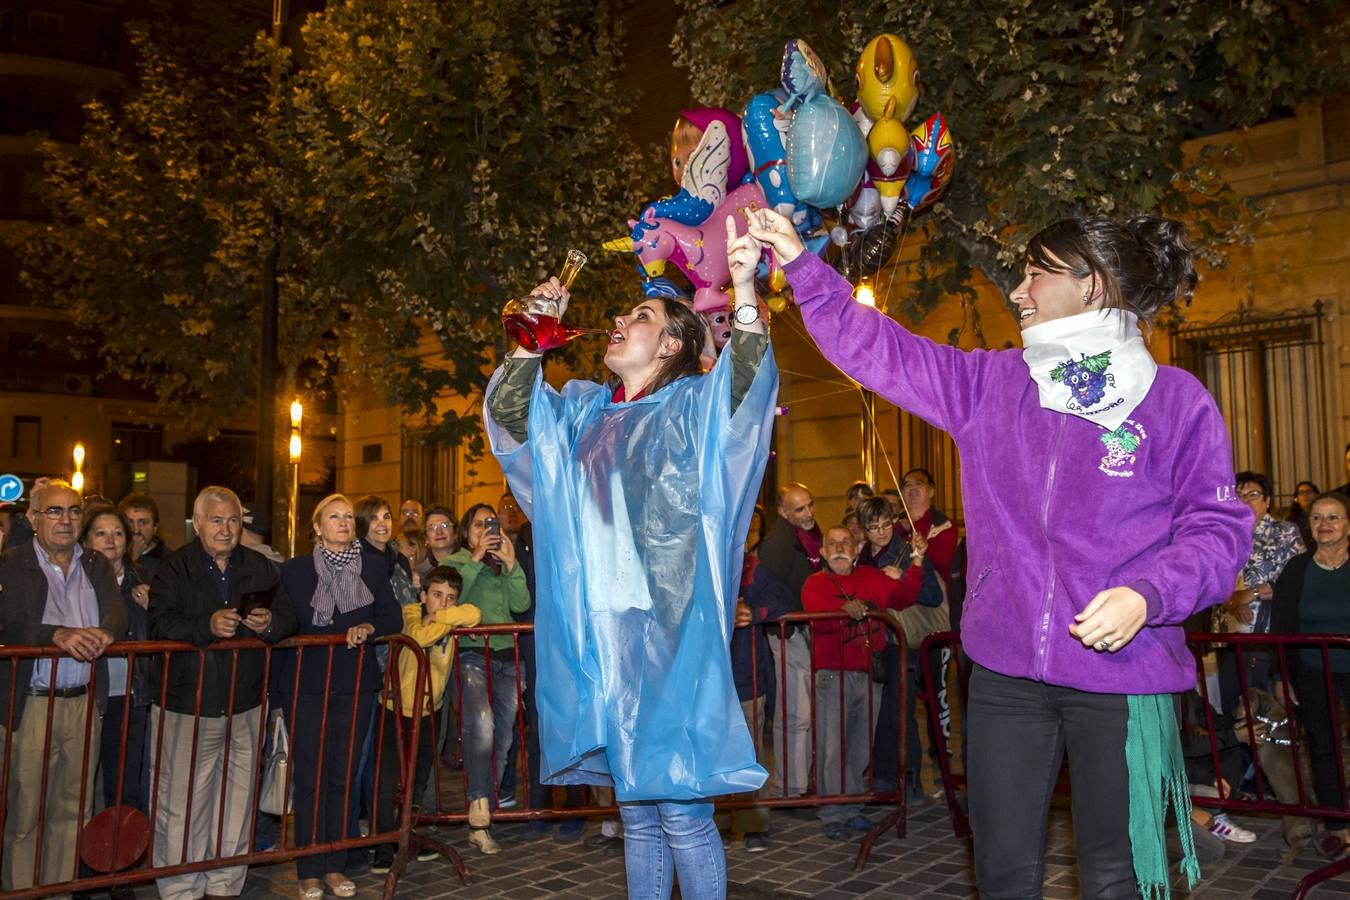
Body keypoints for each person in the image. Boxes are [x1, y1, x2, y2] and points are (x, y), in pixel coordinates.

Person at [755, 205, 1250, 897]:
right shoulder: (991, 384)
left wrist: (1148, 594)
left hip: (1125, 675)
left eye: (1034, 274)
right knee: (1004, 873)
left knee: (1117, 877)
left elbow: (1218, 531)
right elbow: (881, 350)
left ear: (1091, 286)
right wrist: (803, 266)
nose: (1016, 291)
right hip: (1005, 676)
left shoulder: (1176, 401)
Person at [484, 213, 776, 900]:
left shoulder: (692, 408)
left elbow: (748, 385)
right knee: (637, 813)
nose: (618, 318)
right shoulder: (585, 415)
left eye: (639, 314)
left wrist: (741, 288)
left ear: (672, 341)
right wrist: (528, 342)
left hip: (670, 639)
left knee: (679, 807)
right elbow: (515, 421)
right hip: (601, 637)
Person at [147, 486, 296, 900]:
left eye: (232, 520)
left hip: (245, 702)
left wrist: (268, 624)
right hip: (186, 703)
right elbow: (159, 624)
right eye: (216, 520)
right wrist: (206, 627)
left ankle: (226, 884)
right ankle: (180, 888)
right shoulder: (174, 568)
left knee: (237, 802)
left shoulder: (258, 566)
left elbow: (287, 616)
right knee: (181, 803)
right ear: (198, 523)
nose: (226, 529)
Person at [0, 480, 127, 891]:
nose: (66, 519)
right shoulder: (12, 562)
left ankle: (58, 893)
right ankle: (20, 892)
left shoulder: (95, 563)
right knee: (26, 815)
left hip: (84, 703)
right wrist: (56, 634)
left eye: (74, 511)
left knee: (73, 813)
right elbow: (8, 621)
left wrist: (105, 633)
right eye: (54, 511)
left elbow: (116, 613)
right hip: (34, 704)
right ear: (34, 518)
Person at [278, 493, 402, 900]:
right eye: (334, 516)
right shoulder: (294, 571)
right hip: (308, 683)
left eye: (349, 516)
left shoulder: (371, 566)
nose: (344, 522)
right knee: (310, 776)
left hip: (355, 682)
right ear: (316, 527)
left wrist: (368, 628)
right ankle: (309, 868)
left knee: (343, 775)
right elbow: (283, 623)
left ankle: (335, 864)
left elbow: (391, 617)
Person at [803, 525, 919, 838]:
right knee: (832, 748)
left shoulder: (870, 577)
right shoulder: (814, 583)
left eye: (846, 543)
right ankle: (832, 813)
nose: (839, 547)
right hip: (832, 674)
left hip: (869, 673)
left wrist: (918, 563)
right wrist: (841, 611)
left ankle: (852, 807)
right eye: (832, 543)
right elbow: (818, 621)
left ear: (856, 550)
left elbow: (906, 595)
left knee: (859, 746)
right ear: (824, 553)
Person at [370, 566, 480, 874]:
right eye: (436, 596)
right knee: (386, 778)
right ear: (422, 596)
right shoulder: (409, 612)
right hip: (395, 709)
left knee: (418, 779)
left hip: (431, 709)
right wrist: (443, 622)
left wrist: (442, 618)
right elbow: (417, 638)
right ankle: (382, 843)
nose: (443, 603)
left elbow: (474, 613)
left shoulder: (444, 616)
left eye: (450, 598)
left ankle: (409, 835)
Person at [446, 502, 529, 854]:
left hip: (507, 656)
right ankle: (479, 807)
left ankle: (484, 811)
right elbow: (452, 598)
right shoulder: (455, 563)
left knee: (504, 737)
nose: (486, 530)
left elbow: (521, 604)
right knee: (481, 726)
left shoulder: (502, 565)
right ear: (467, 533)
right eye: (479, 524)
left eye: (490, 523)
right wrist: (475, 557)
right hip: (471, 653)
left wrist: (511, 564)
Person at [1272, 491, 1350, 855]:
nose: (1324, 524)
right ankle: (1337, 822)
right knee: (1323, 747)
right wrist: (1281, 675)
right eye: (1318, 518)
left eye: (1333, 517)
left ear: (1348, 524)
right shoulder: (1296, 570)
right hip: (1312, 669)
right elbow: (1281, 626)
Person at [855, 496, 944, 798]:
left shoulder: (908, 549)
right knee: (878, 714)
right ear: (863, 530)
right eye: (873, 527)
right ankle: (882, 780)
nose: (881, 532)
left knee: (901, 712)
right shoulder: (862, 556)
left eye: (885, 524)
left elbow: (932, 595)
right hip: (873, 644)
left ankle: (910, 782)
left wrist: (904, 574)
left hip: (903, 642)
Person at [79, 506, 153, 828]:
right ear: (85, 541)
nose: (111, 540)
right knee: (83, 784)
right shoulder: (75, 582)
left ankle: (120, 864)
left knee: (125, 784)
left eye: (118, 533)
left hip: (130, 696)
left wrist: (153, 608)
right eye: (101, 533)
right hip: (88, 694)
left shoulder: (143, 583)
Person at [1214, 471, 1304, 713]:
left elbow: (1296, 580)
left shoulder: (1285, 531)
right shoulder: (1221, 534)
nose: (1245, 500)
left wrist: (1251, 594)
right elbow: (1210, 578)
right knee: (1235, 708)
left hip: (1268, 634)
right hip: (1228, 633)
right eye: (1239, 495)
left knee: (1268, 707)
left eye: (1253, 495)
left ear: (1268, 501)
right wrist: (1232, 603)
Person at [756, 482, 821, 801]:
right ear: (783, 512)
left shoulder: (808, 536)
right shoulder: (778, 544)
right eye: (800, 509)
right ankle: (791, 786)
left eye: (810, 505)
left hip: (805, 630)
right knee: (795, 712)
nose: (808, 513)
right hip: (789, 632)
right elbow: (771, 590)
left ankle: (799, 782)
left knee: (805, 711)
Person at [416, 504, 457, 577]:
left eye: (445, 525)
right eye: (432, 527)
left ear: (455, 533)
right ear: (426, 538)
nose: (439, 532)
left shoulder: (471, 563)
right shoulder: (418, 573)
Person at [1287, 480, 1320, 549]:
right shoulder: (1291, 519)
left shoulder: (1323, 515)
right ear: (1296, 498)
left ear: (1316, 495)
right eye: (1301, 493)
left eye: (1308, 492)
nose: (1305, 495)